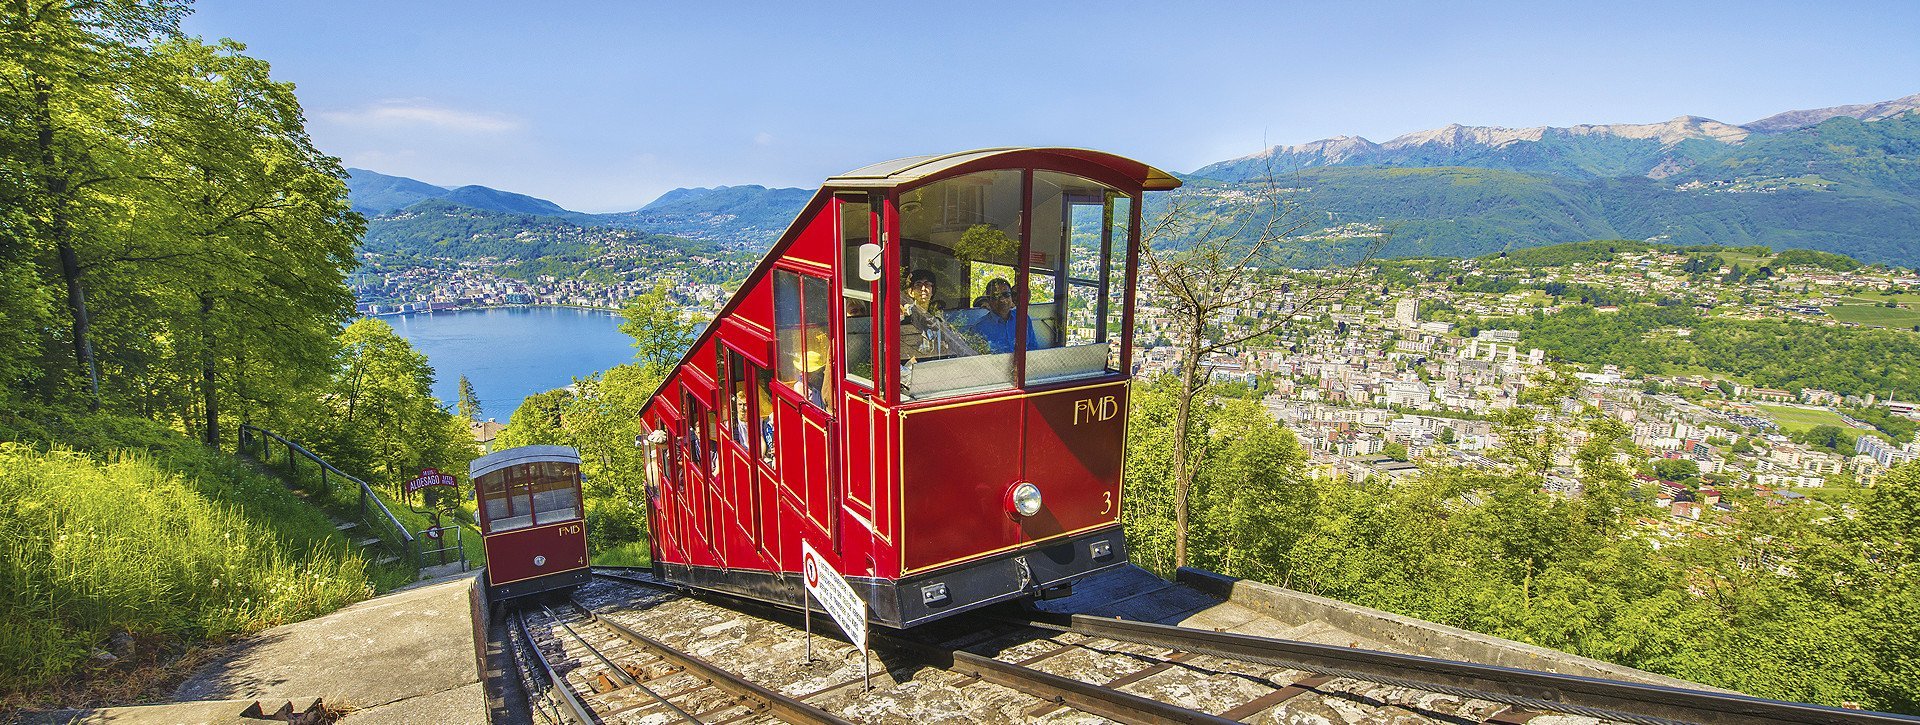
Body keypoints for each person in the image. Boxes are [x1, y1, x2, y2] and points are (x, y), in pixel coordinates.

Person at [900, 269, 975, 358]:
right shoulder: (906, 317)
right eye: (918, 285)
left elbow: (956, 343)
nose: (923, 289)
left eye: (927, 284)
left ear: (932, 291)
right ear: (910, 292)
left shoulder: (938, 319)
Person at [969, 278, 1040, 354]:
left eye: (1006, 295)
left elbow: (1033, 349)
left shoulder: (1023, 318)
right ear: (989, 300)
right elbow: (977, 358)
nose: (1002, 300)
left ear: (1011, 297)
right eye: (996, 296)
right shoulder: (979, 327)